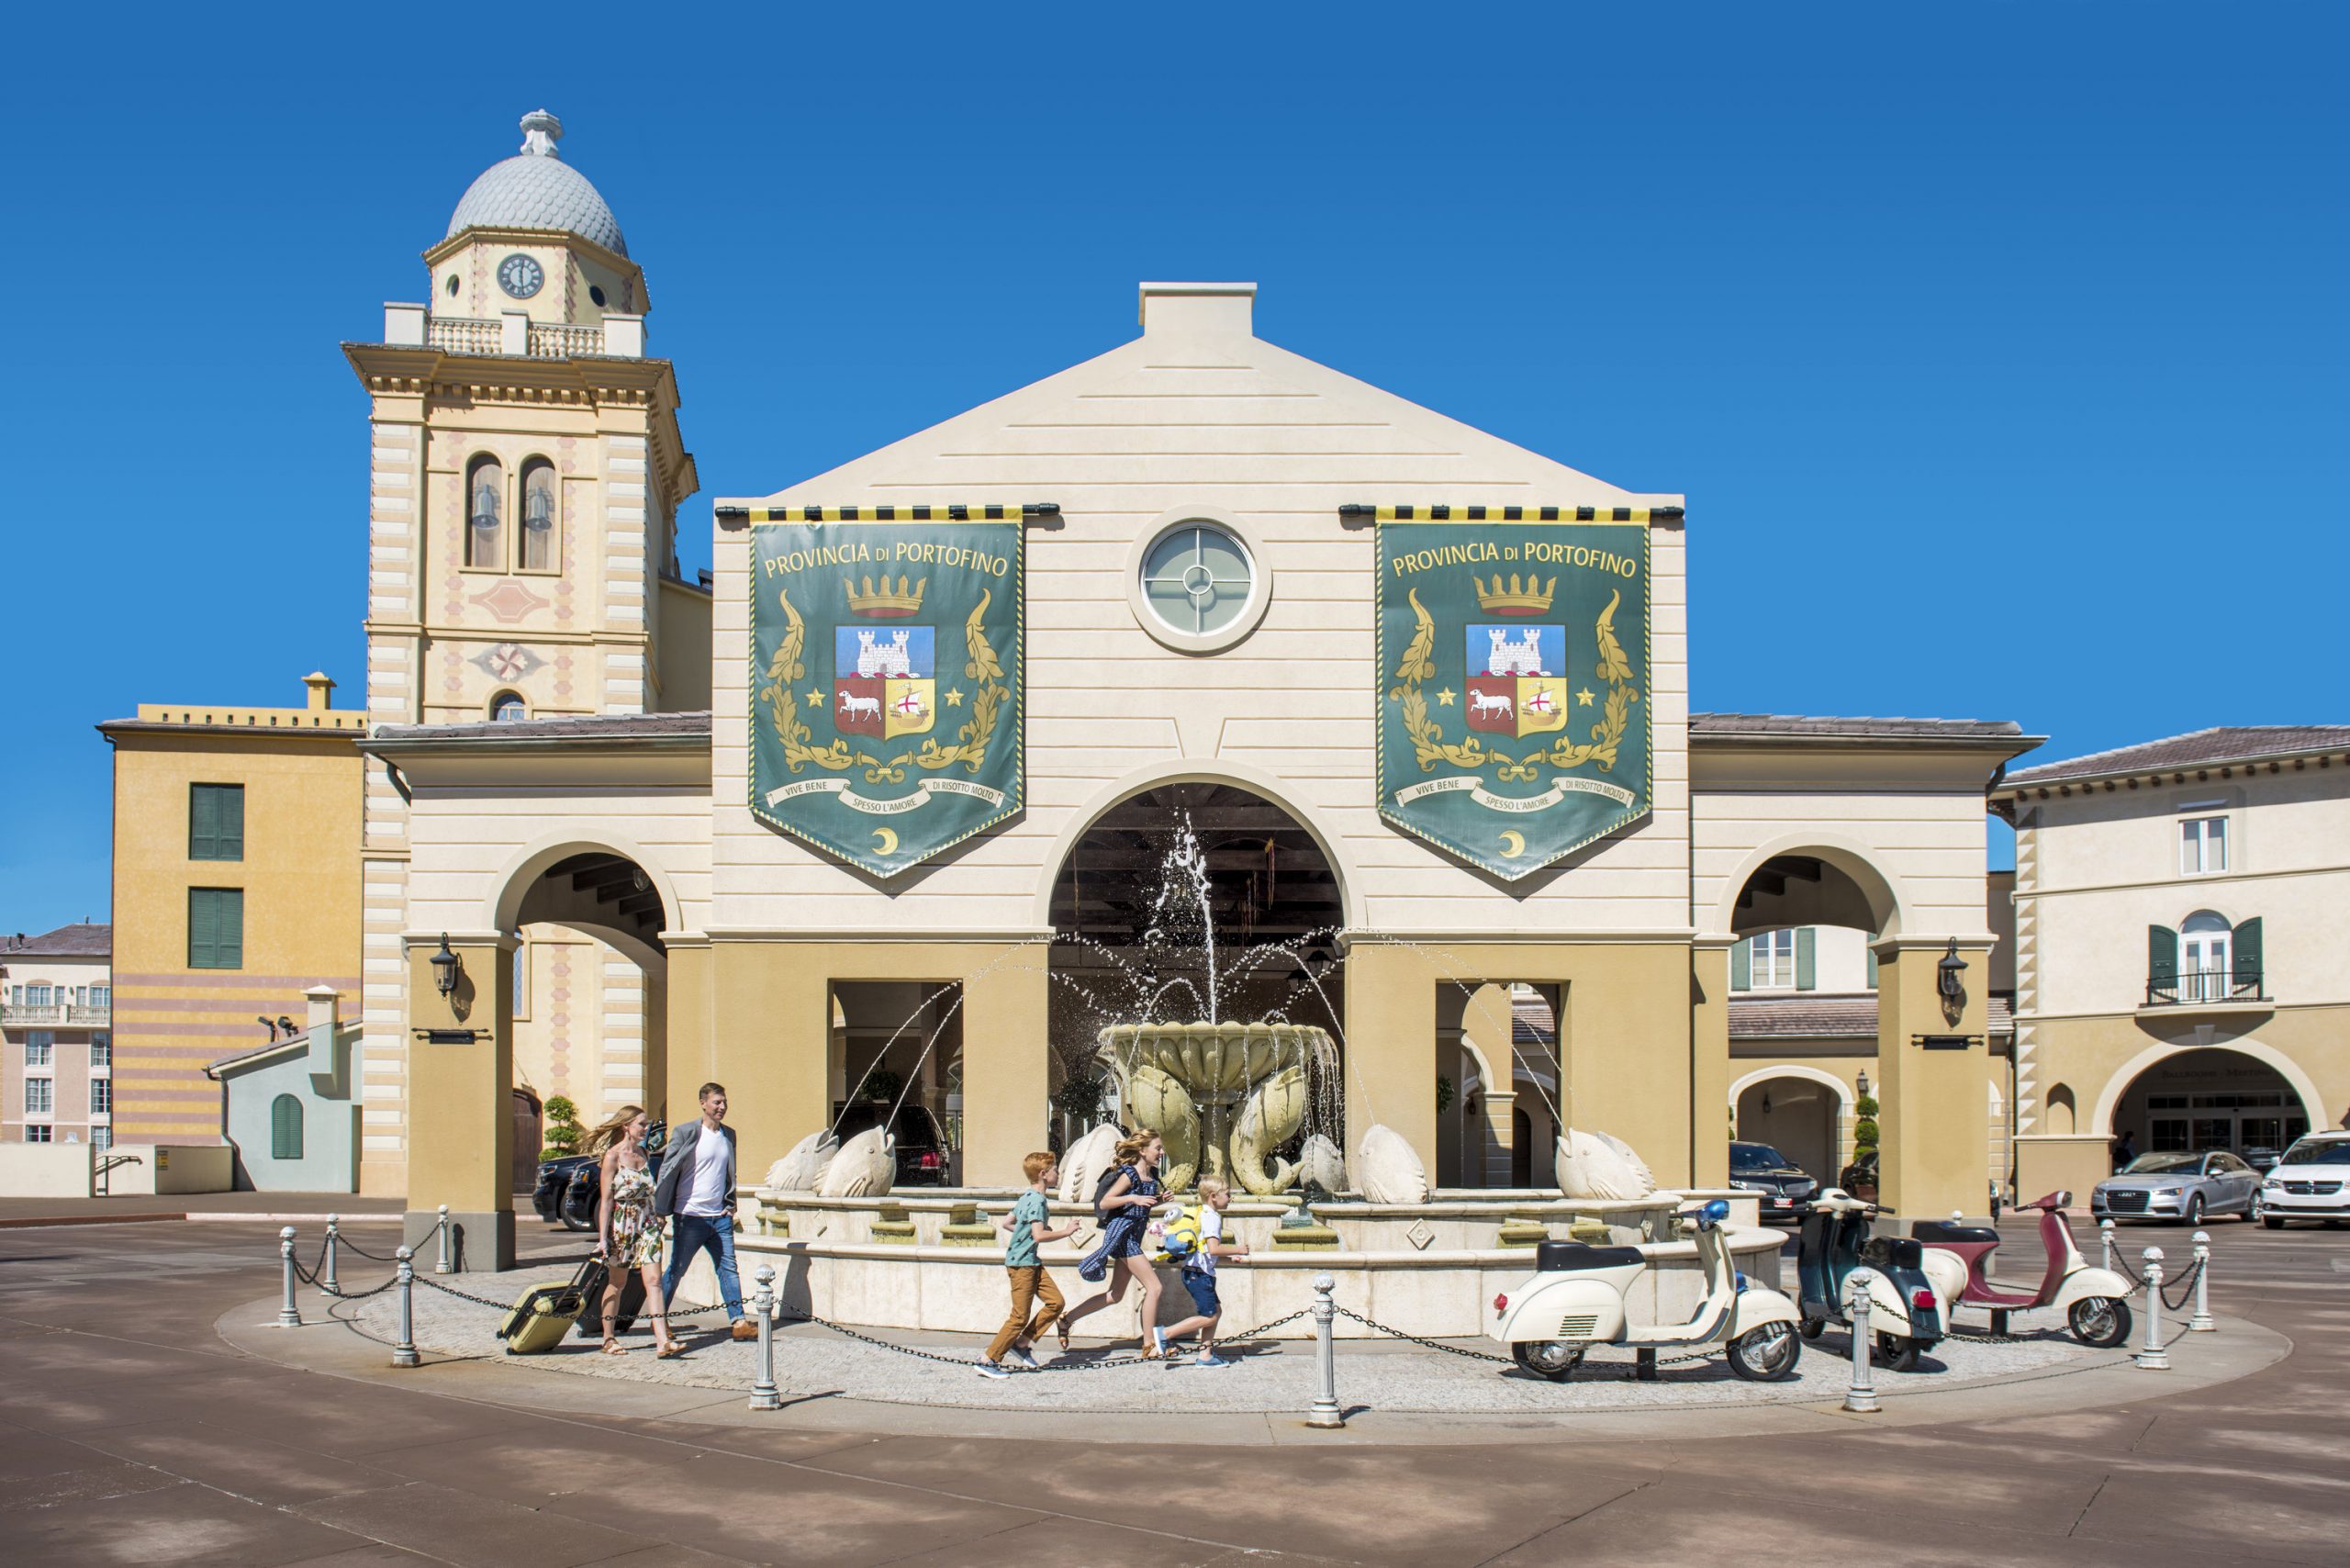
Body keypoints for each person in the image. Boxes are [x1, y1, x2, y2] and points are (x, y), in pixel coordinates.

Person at [653, 1081, 757, 1341]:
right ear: (703, 1103)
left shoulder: (728, 1135)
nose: (722, 1107)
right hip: (689, 1216)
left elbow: (728, 1174)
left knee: (728, 1268)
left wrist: (730, 1205)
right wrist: (660, 1209)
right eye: (717, 1102)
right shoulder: (686, 1132)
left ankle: (739, 1322)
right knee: (676, 1269)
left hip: (719, 1217)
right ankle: (660, 1320)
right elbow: (667, 1170)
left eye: (724, 1102)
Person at [1060, 1129, 1169, 1358]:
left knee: (1115, 1295)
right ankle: (1149, 1344)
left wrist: (1159, 1200)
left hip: (1133, 1238)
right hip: (1124, 1239)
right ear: (1142, 1150)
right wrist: (1132, 1197)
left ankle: (1066, 1319)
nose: (1161, 1152)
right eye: (1157, 1148)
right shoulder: (1129, 1175)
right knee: (1155, 1287)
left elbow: (1141, 1206)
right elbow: (1106, 1201)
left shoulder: (1151, 1176)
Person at [588, 1104, 683, 1358]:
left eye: (645, 1124)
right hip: (622, 1225)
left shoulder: (644, 1153)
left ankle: (662, 1341)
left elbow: (649, 1191)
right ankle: (608, 1337)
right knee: (617, 1283)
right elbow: (606, 1200)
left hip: (648, 1224)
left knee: (653, 1281)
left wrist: (657, 1215)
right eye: (640, 1124)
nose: (645, 1128)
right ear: (626, 1127)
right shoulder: (612, 1157)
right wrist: (603, 1238)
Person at [976, 1149, 1081, 1378]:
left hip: (1031, 1262)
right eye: (1055, 1170)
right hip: (1022, 1265)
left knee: (1056, 1302)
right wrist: (1065, 1231)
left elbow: (1007, 1223)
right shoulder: (1038, 1201)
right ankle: (988, 1359)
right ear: (1044, 1174)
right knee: (1019, 1317)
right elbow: (1039, 1237)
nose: (1058, 1173)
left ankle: (1022, 1344)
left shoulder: (1026, 1197)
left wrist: (1029, 1231)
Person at [1158, 1175, 1248, 1368]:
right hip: (1198, 1274)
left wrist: (1229, 1259)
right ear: (1214, 1196)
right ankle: (1165, 1334)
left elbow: (1206, 1251)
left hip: (1196, 1271)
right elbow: (1214, 1248)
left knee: (1215, 1311)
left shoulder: (1202, 1213)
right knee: (1210, 1316)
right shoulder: (1212, 1218)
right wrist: (1238, 1249)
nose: (1231, 1198)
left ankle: (1205, 1356)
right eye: (1228, 1194)